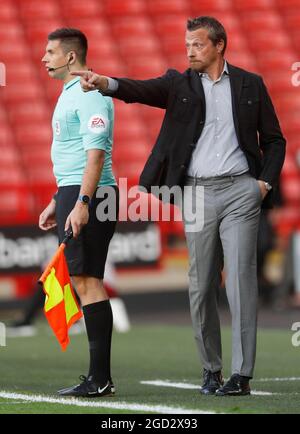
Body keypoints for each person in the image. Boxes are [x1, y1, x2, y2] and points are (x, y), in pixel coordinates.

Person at [73, 16, 286, 396]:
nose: (190, 50)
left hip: (241, 191)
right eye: (187, 44)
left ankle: (241, 375)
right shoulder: (179, 84)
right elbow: (138, 89)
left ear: (220, 45)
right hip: (197, 195)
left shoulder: (251, 84)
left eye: (198, 44)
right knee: (201, 286)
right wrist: (104, 83)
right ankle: (211, 370)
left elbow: (275, 140)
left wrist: (263, 183)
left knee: (240, 283)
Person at [40, 28, 119, 398]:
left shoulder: (90, 93)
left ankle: (100, 378)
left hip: (93, 194)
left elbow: (95, 153)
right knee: (84, 280)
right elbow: (73, 155)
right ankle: (98, 377)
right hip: (75, 191)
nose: (44, 57)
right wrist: (59, 199)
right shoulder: (69, 93)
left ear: (71, 57)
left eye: (51, 51)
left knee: (87, 281)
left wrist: (83, 203)